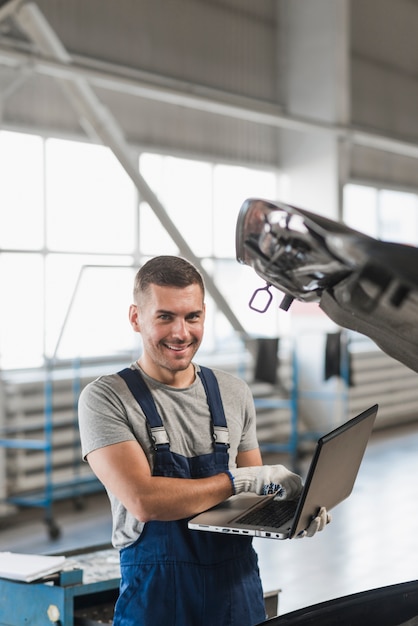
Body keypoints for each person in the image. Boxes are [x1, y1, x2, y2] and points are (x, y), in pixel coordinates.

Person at [78, 255, 330, 626]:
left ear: (204, 315)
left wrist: (295, 512)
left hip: (236, 591)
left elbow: (255, 495)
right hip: (157, 599)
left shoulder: (233, 392)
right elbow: (144, 501)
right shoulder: (106, 398)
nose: (181, 333)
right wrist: (238, 480)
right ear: (136, 318)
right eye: (165, 316)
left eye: (192, 317)